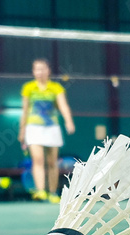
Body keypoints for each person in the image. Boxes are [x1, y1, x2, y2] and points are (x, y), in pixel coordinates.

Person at [18, 58, 75, 203]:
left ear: (48, 70)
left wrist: (68, 121)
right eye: (36, 69)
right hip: (33, 127)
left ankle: (52, 192)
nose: (40, 72)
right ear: (33, 71)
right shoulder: (28, 88)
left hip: (52, 128)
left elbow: (63, 106)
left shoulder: (56, 88)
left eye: (42, 68)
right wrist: (22, 131)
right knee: (38, 160)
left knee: (52, 162)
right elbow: (25, 111)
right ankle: (40, 191)